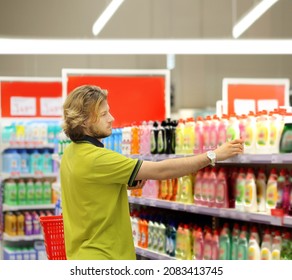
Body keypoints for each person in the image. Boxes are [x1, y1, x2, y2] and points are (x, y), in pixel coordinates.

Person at [60, 84, 244, 260]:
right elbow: (160, 170)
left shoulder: (71, 152)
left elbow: (88, 193)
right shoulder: (96, 158)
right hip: (105, 257)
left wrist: (122, 184)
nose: (111, 118)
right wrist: (213, 155)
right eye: (103, 114)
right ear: (84, 122)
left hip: (82, 255)